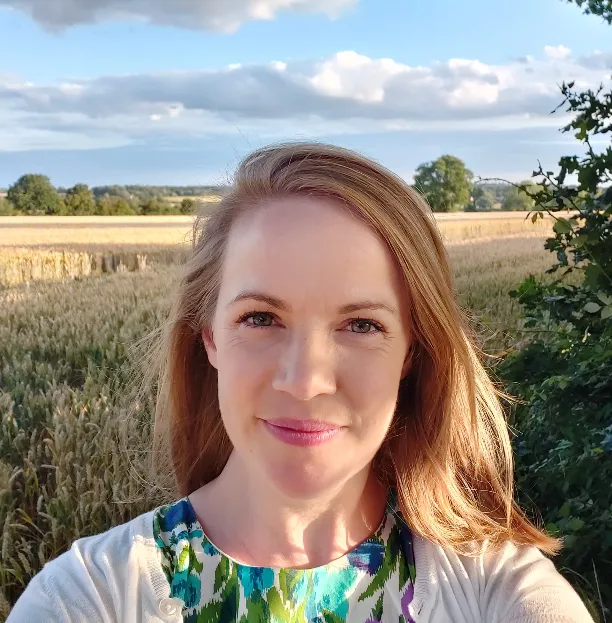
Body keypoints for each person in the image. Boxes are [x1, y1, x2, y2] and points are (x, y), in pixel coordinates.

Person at [7, 142, 594, 623]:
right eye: (260, 318)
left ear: (413, 351)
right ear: (207, 336)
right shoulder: (88, 599)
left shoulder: (496, 592)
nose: (305, 381)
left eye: (361, 324)